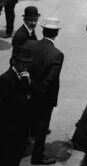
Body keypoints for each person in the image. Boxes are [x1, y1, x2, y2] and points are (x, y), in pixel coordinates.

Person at [24, 17, 64, 165]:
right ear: (56, 33)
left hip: (27, 93)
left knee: (26, 122)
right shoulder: (56, 54)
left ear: (43, 30)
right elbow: (50, 80)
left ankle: (22, 148)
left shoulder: (30, 45)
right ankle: (37, 157)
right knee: (41, 128)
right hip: (44, 98)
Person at [0, 45, 34, 166]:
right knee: (5, 159)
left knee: (16, 158)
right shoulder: (5, 79)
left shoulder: (25, 77)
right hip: (7, 128)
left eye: (27, 63)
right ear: (14, 61)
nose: (25, 66)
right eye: (22, 63)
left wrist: (28, 87)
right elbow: (12, 102)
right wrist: (28, 96)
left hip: (20, 128)